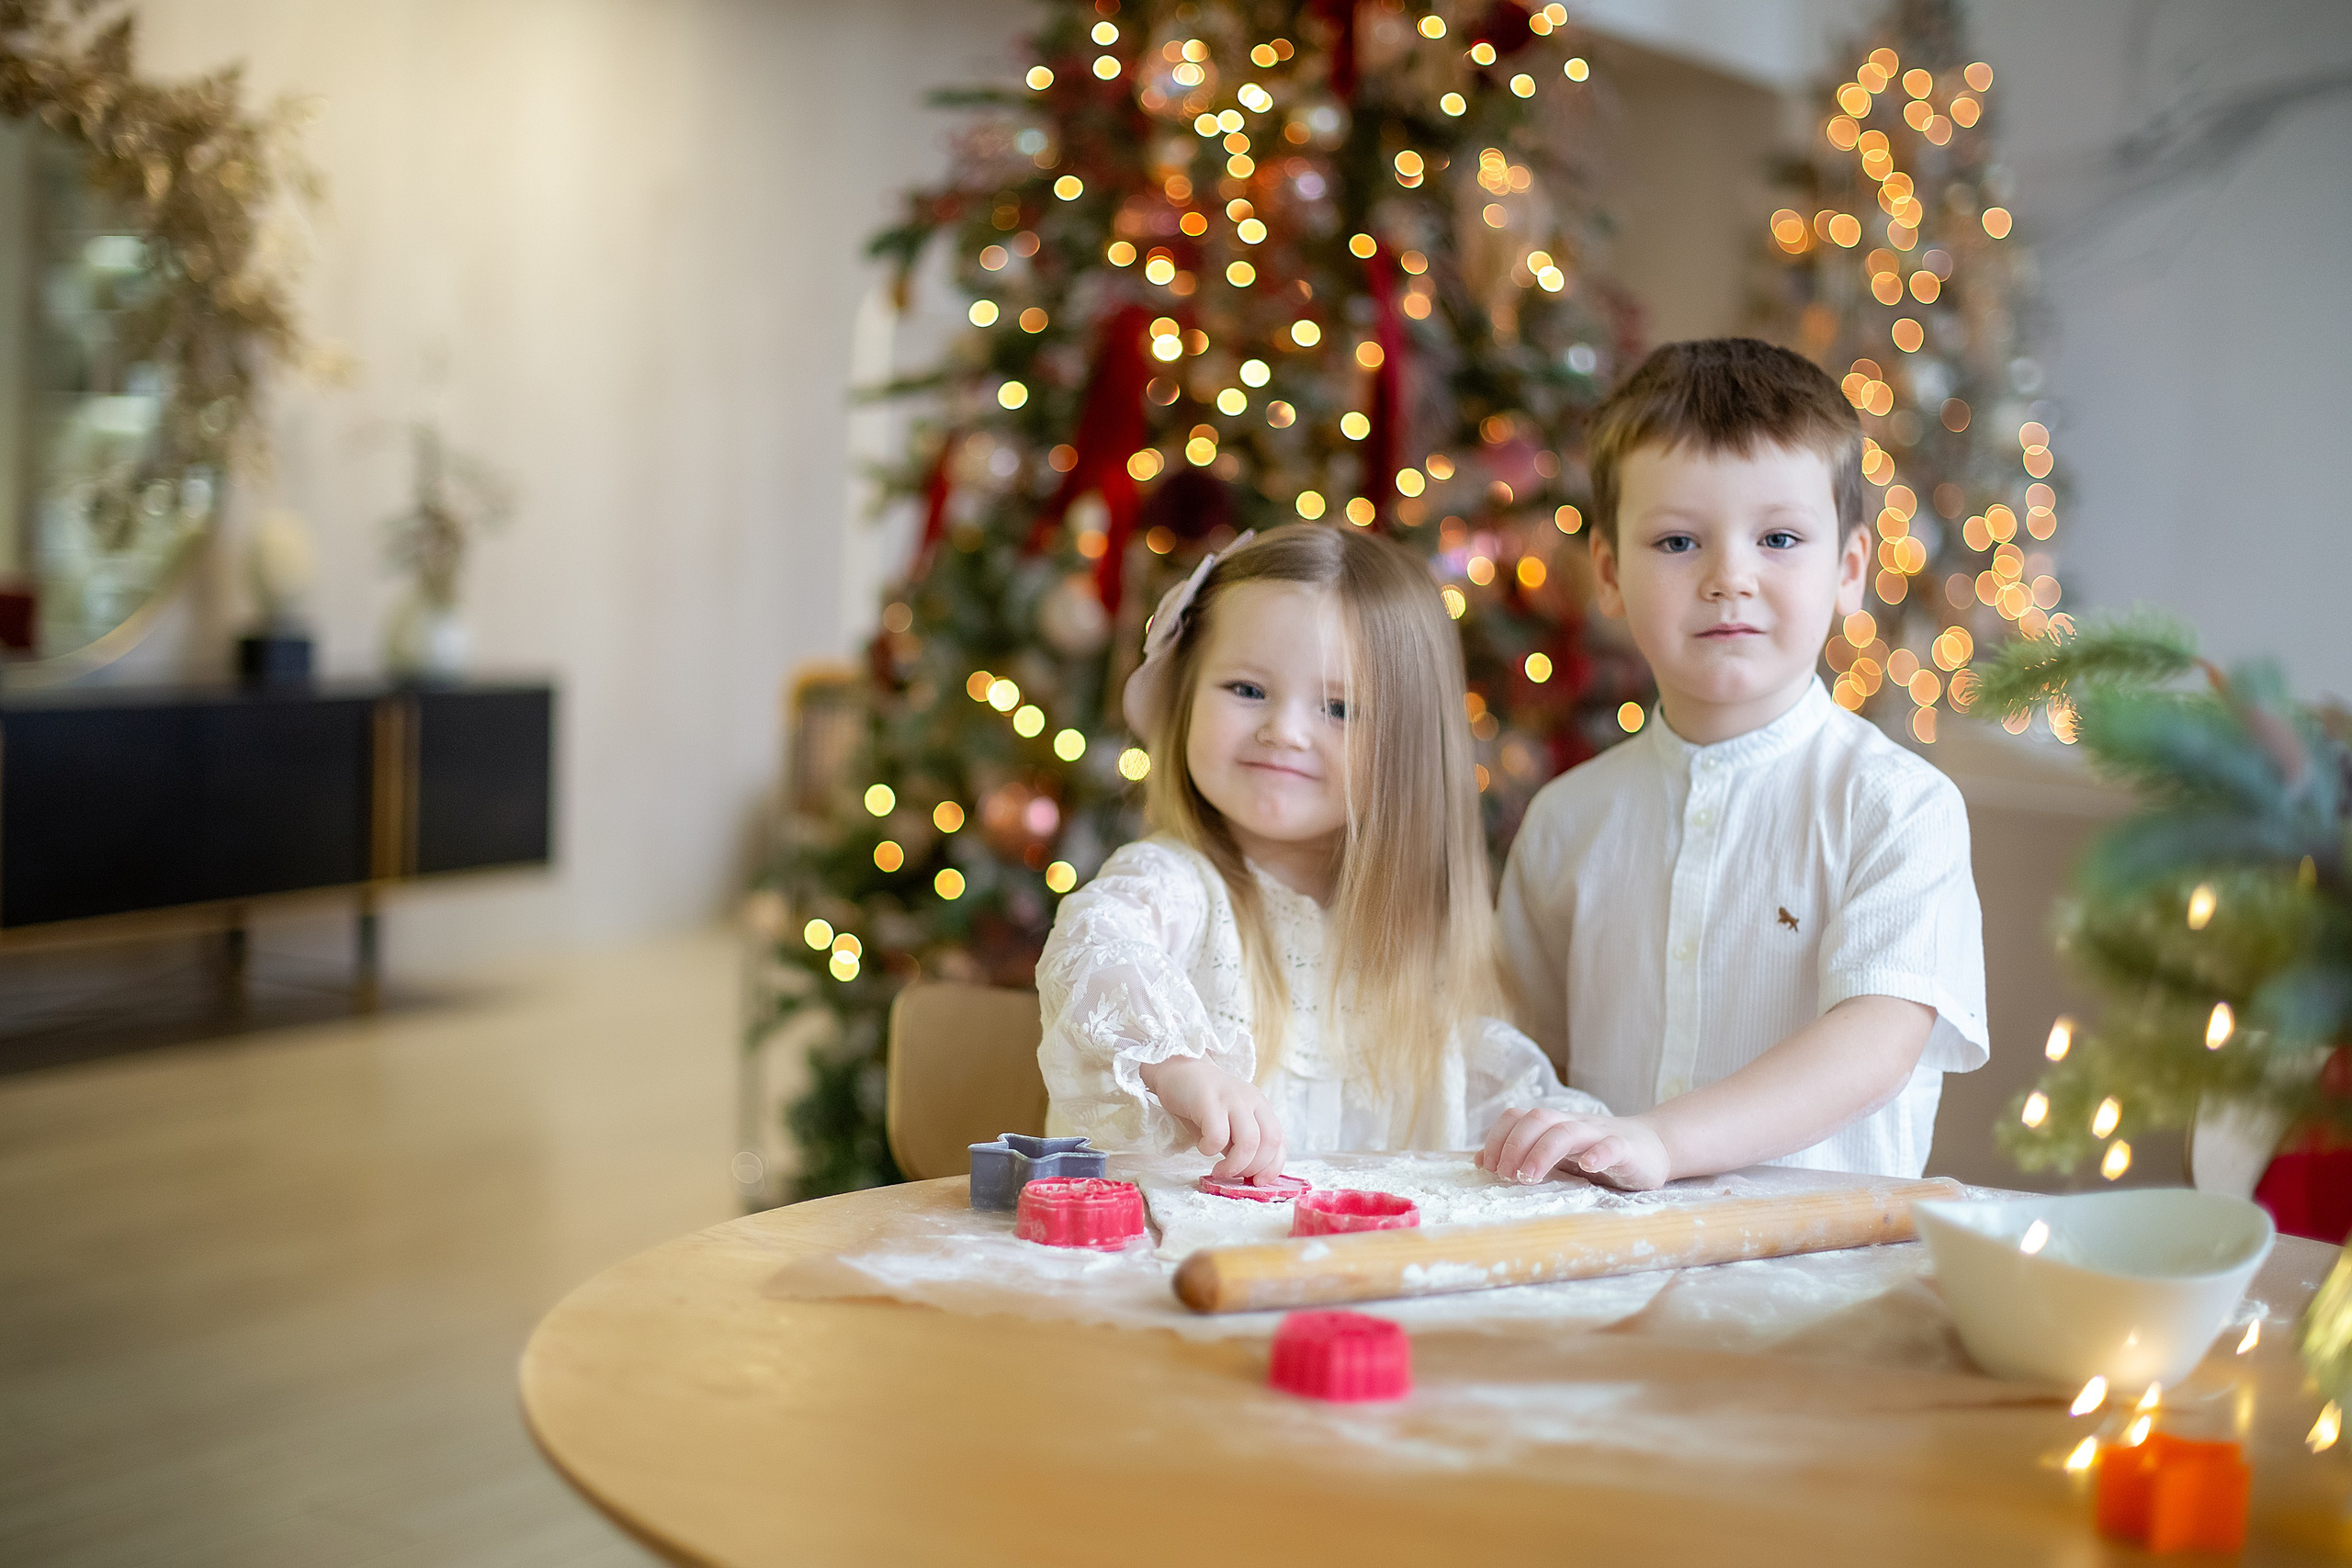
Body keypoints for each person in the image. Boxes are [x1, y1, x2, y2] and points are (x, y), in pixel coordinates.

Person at [1482, 337, 1988, 1190]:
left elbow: (1874, 1042)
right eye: (1678, 542)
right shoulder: (1567, 819)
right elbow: (1518, 1055)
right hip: (1604, 1276)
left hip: (1821, 1284)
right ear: (1608, 573)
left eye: (1780, 537)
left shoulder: (1896, 808)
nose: (1730, 577)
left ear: (1850, 569)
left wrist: (1663, 1143)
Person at [1036, 524, 1606, 1179]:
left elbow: (1491, 1089)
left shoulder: (1413, 941)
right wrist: (1176, 1064)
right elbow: (1094, 943)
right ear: (1187, 696)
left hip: (1351, 1270)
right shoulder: (1173, 883)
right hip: (1174, 1265)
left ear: (1404, 747)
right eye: (1247, 690)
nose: (1284, 731)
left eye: (1338, 707)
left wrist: (1566, 1133)